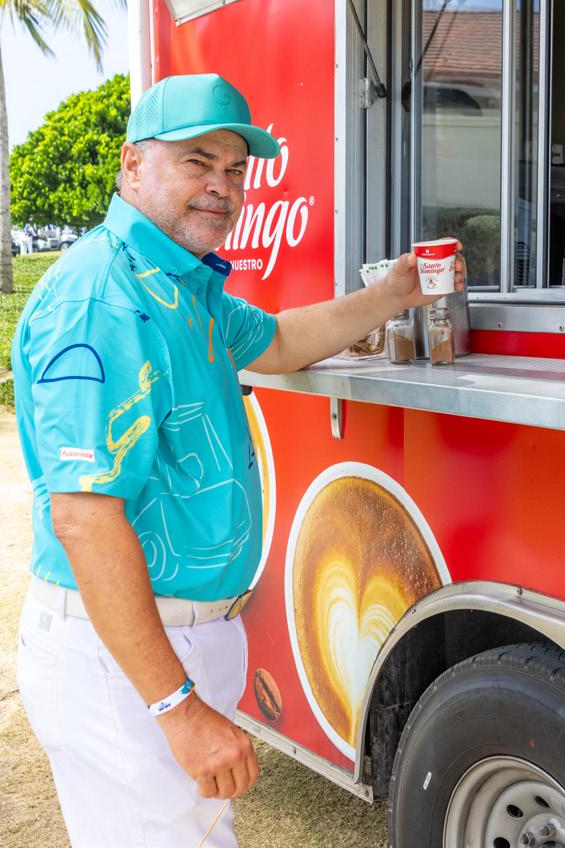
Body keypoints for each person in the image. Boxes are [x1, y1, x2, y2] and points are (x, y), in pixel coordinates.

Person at [12, 73, 464, 848]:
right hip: (125, 661)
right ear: (132, 165)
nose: (221, 186)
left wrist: (394, 293)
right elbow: (85, 520)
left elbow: (282, 340)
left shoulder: (185, 289)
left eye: (235, 169)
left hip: (171, 644)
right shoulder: (100, 301)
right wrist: (175, 706)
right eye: (197, 162)